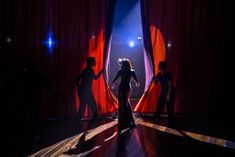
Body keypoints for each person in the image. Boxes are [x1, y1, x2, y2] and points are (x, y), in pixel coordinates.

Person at [112, 58, 140, 132]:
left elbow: (114, 79)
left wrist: (113, 83)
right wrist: (137, 83)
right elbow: (137, 81)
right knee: (125, 102)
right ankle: (127, 120)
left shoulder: (122, 71)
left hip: (123, 87)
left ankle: (125, 120)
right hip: (127, 87)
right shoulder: (131, 71)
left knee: (123, 103)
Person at [76, 57, 103, 121]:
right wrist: (80, 86)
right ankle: (78, 120)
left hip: (85, 90)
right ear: (90, 63)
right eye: (94, 61)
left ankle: (78, 120)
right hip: (84, 90)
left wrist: (101, 72)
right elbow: (78, 77)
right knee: (86, 105)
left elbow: (95, 78)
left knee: (88, 104)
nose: (95, 63)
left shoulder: (89, 70)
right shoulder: (87, 70)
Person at [154, 61, 176, 126]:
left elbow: (170, 85)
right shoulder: (159, 74)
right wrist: (155, 79)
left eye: (162, 68)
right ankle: (157, 118)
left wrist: (168, 95)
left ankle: (172, 122)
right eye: (160, 68)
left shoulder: (168, 74)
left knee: (170, 107)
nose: (161, 69)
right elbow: (156, 84)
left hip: (170, 91)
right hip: (164, 91)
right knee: (160, 104)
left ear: (164, 68)